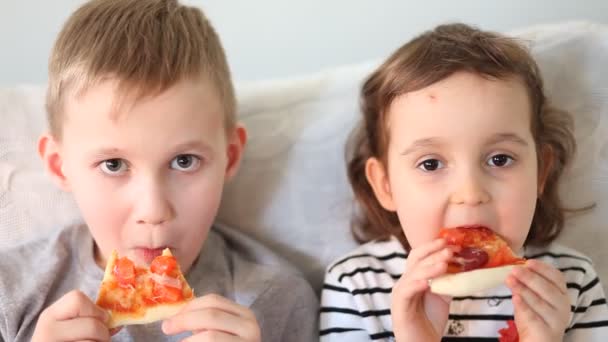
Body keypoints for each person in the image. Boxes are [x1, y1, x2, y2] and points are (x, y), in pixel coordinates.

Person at [0, 1, 318, 341]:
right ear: (58, 165)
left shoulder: (278, 300)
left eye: (184, 161)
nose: (153, 211)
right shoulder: (10, 294)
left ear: (230, 156)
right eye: (114, 165)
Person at [320, 23, 608, 341]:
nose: (470, 194)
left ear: (540, 173)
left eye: (500, 159)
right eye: (431, 164)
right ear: (386, 185)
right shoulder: (357, 285)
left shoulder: (571, 283)